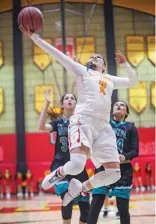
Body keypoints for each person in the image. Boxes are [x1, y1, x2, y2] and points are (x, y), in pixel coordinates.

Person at [19, 25, 138, 206]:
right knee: (76, 165)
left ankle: (80, 188)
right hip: (84, 120)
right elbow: (57, 55)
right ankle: (57, 175)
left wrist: (125, 64)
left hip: (103, 127)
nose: (93, 57)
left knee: (114, 173)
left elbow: (133, 82)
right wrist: (35, 37)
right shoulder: (82, 71)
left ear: (103, 67)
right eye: (91, 56)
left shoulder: (110, 79)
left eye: (98, 57)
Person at [82, 101, 139, 224]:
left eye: (122, 105)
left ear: (126, 112)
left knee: (123, 209)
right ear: (111, 110)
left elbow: (135, 150)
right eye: (116, 105)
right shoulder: (103, 125)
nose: (118, 106)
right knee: (95, 205)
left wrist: (124, 157)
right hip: (104, 169)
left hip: (123, 171)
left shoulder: (130, 127)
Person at [38, 89, 90, 224]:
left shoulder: (81, 121)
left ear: (75, 103)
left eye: (72, 98)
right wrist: (46, 103)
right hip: (60, 165)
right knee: (66, 202)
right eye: (66, 98)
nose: (69, 100)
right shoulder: (57, 123)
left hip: (79, 165)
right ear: (62, 104)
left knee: (85, 206)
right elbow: (40, 126)